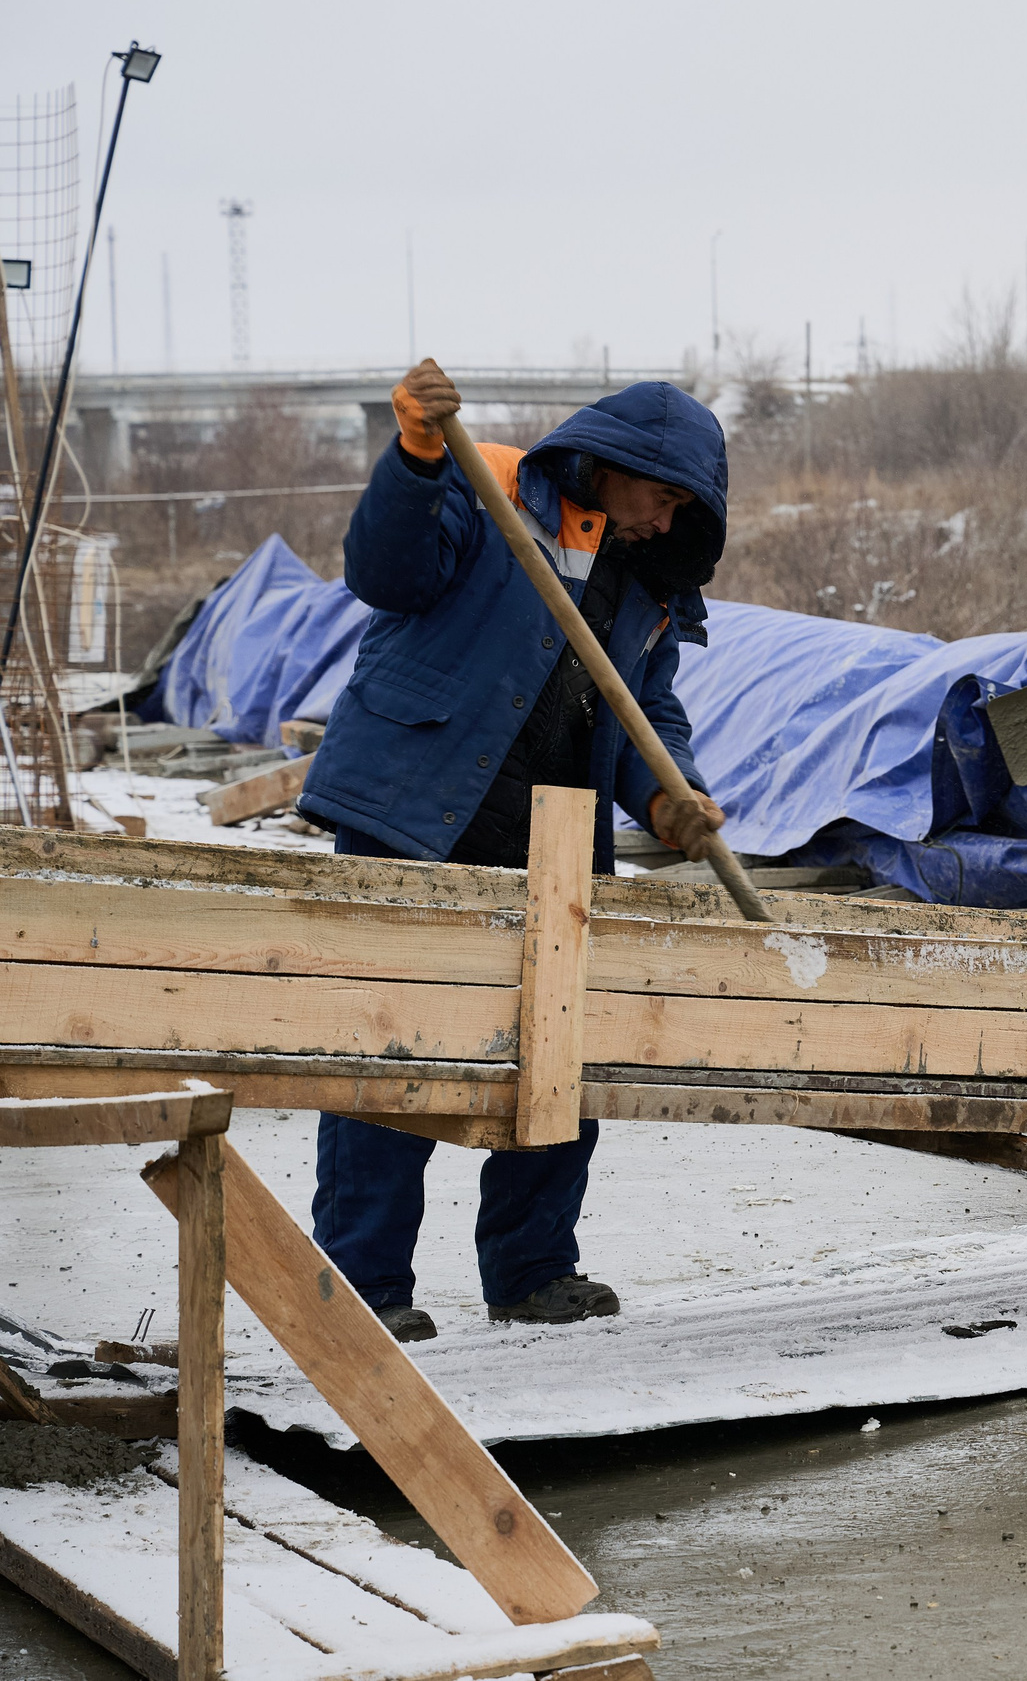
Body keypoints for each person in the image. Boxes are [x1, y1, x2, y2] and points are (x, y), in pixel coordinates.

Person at [296, 357, 732, 1341]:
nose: (665, 521)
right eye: (660, 496)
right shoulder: (484, 484)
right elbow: (387, 571)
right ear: (611, 463)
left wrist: (668, 797)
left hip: (556, 832)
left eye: (681, 509)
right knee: (394, 1051)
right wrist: (413, 453)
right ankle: (363, 1289)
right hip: (419, 812)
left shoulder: (645, 578)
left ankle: (533, 1272)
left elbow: (647, 704)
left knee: (561, 1057)